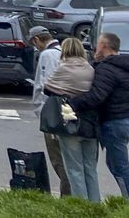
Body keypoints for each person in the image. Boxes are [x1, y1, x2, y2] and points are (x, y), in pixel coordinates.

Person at [68, 32, 129, 204]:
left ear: (104, 46)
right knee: (116, 165)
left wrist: (73, 103)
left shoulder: (107, 69)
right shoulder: (127, 67)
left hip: (113, 122)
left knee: (120, 168)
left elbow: (96, 96)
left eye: (98, 44)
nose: (95, 48)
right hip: (128, 121)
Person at [44, 37, 101, 203]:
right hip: (90, 123)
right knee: (90, 167)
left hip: (70, 122)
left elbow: (48, 88)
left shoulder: (64, 68)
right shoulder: (90, 69)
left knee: (74, 168)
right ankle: (94, 203)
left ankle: (81, 203)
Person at [29, 26, 70, 196]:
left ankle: (67, 194)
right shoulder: (62, 51)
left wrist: (44, 114)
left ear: (37, 39)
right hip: (65, 112)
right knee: (67, 158)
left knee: (58, 159)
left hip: (52, 115)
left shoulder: (47, 55)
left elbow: (46, 86)